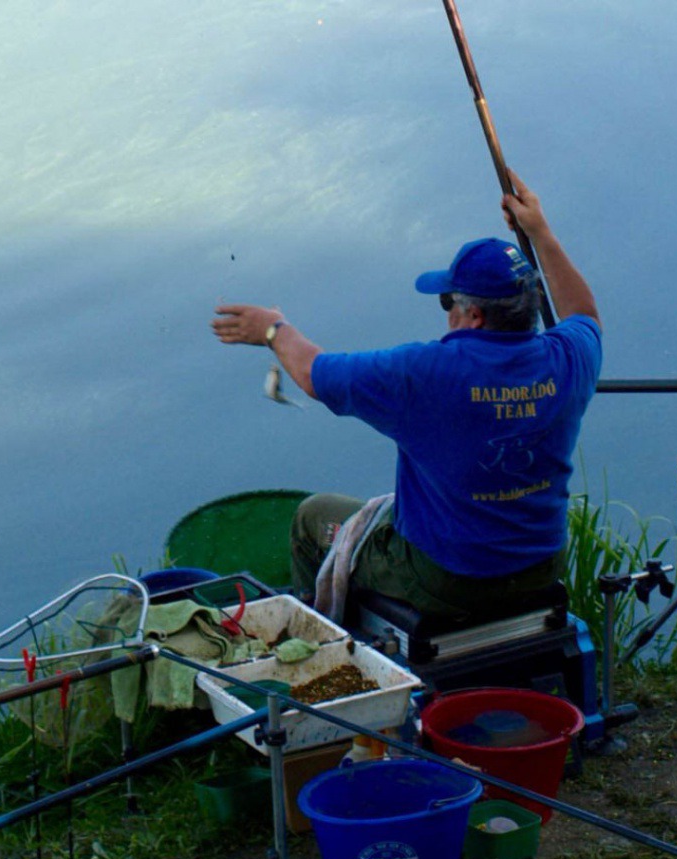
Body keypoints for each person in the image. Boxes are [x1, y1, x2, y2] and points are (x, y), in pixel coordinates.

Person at [210, 170, 601, 621]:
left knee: (313, 518)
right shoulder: (568, 360)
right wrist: (541, 233)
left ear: (472, 315)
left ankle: (326, 651)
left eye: (447, 303)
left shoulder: (424, 373)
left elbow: (316, 375)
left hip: (447, 581)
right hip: (539, 569)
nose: (446, 313)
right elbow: (583, 314)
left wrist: (273, 330)